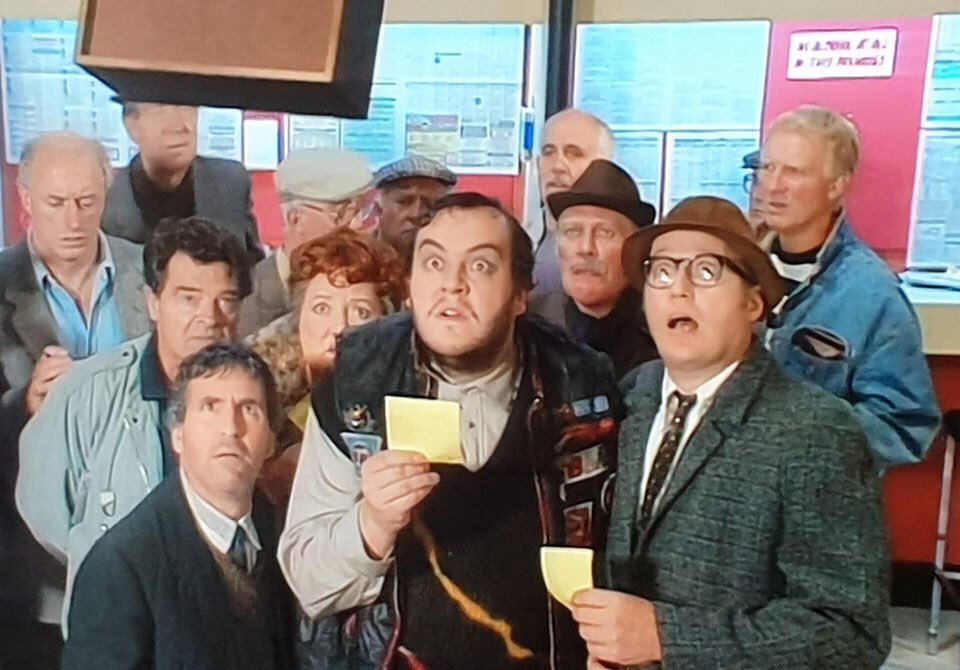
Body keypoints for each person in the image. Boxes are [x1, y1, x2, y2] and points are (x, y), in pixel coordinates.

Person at [279, 192, 622, 669]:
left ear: (520, 293)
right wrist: (372, 523)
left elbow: (621, 559)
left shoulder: (583, 384)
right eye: (434, 263)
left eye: (480, 266)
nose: (452, 285)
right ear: (410, 285)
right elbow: (309, 582)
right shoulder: (359, 382)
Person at [572, 195, 890, 669]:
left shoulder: (816, 431)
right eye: (662, 271)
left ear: (752, 303)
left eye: (706, 271)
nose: (678, 290)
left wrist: (666, 638)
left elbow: (850, 632)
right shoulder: (634, 395)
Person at [16, 216, 251, 629]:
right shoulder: (87, 392)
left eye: (226, 300)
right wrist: (111, 565)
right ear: (153, 303)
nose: (210, 317)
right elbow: (44, 509)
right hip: (115, 625)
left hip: (222, 626)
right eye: (189, 298)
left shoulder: (257, 396)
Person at [0, 131, 150, 668]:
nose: (73, 220)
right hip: (32, 568)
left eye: (87, 202)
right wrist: (24, 406)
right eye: (56, 203)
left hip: (140, 551)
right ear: (25, 199)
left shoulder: (150, 272)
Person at [62, 343, 294, 670]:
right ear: (178, 435)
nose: (230, 428)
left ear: (270, 440)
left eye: (249, 409)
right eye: (210, 407)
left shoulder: (284, 532)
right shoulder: (120, 566)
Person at [757, 105, 939, 469]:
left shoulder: (871, 294)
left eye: (794, 171)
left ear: (836, 186)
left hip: (810, 493)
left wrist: (797, 438)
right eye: (766, 167)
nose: (773, 185)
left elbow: (904, 425)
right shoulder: (734, 269)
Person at [250, 228, 407, 508]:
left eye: (360, 312)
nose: (339, 327)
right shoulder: (258, 389)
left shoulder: (404, 394)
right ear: (299, 318)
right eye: (322, 308)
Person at [536, 158, 658, 377]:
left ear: (635, 251)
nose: (585, 248)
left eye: (605, 233)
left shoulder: (662, 334)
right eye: (572, 231)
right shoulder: (529, 326)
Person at [102, 99, 263, 263]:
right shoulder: (103, 201)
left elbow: (253, 267)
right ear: (131, 125)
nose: (180, 126)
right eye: (161, 110)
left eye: (187, 107)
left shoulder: (231, 182)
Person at [238, 148, 373, 336]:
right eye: (341, 213)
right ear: (295, 218)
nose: (358, 225)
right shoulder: (248, 299)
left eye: (363, 211)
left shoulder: (371, 286)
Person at [531, 109, 617, 312]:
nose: (558, 166)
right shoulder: (517, 239)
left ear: (605, 167)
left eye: (574, 153)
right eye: (549, 152)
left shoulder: (615, 250)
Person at [373, 154, 457, 260]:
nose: (416, 213)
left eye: (431, 204)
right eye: (404, 202)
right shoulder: (357, 260)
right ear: (378, 209)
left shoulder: (456, 262)